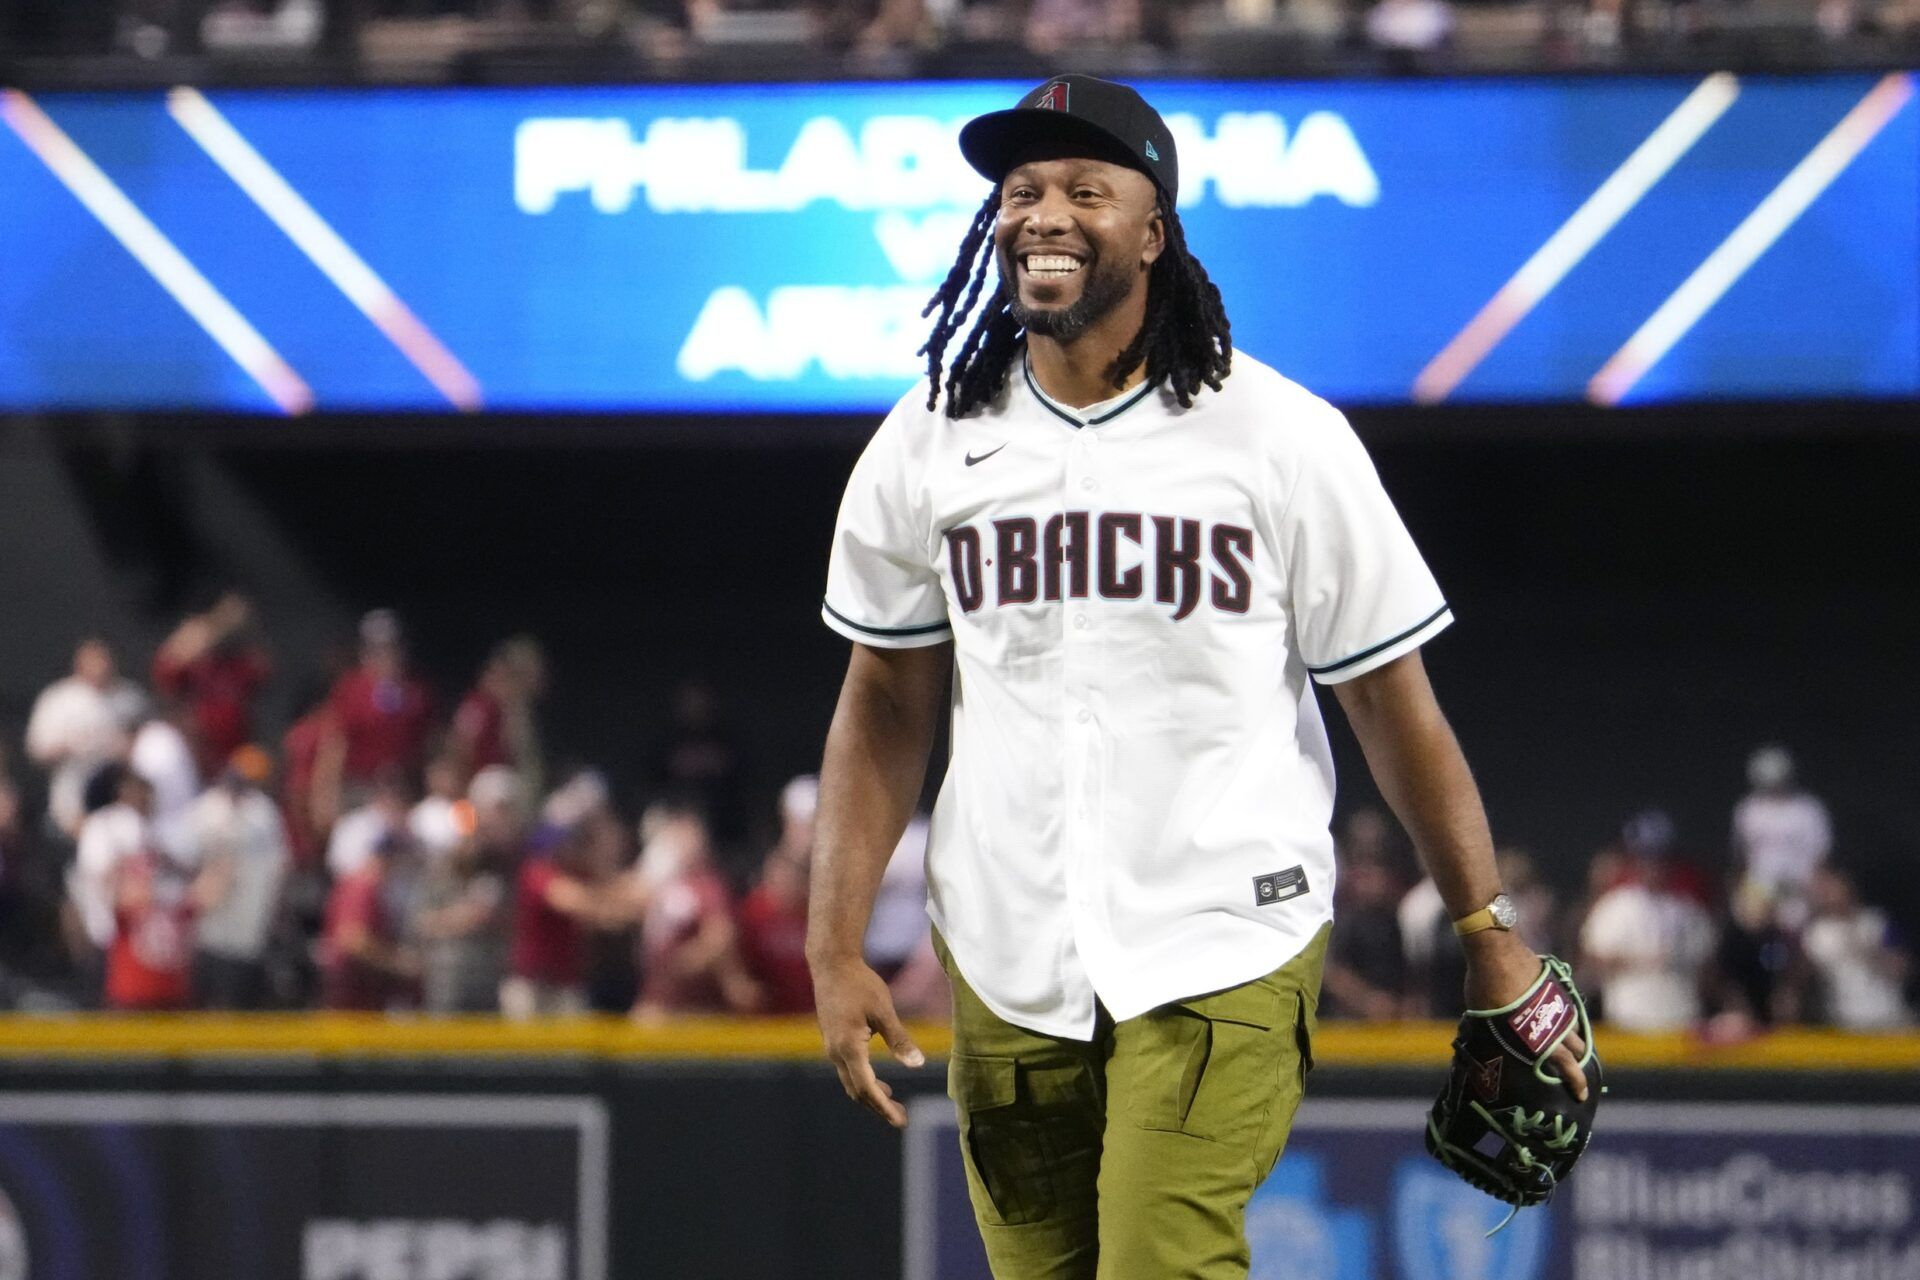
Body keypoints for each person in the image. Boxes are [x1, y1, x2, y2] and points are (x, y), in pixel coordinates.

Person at [806, 74, 1585, 1279]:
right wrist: (833, 935)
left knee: (1163, 1258)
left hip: (1227, 931)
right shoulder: (929, 437)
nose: (1044, 213)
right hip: (1009, 950)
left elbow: (1391, 702)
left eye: (1084, 189)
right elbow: (887, 697)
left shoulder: (1279, 435)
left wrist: (1487, 928)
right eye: (1020, 192)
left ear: (1156, 229)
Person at [1578, 812, 1717, 1032]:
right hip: (1629, 1017)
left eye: (1660, 858)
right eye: (1646, 857)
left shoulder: (1689, 910)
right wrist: (1640, 960)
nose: (1654, 866)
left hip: (1681, 1016)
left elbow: (1708, 968)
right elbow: (1594, 961)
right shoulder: (1615, 906)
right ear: (1634, 861)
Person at [187, 745, 291, 1009]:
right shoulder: (206, 809)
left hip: (249, 929)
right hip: (209, 929)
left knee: (241, 1007)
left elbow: (280, 866)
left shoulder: (263, 812)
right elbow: (184, 863)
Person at [26, 638, 148, 839]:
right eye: (92, 662)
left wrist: (127, 745)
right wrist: (69, 746)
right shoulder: (59, 699)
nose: (99, 667)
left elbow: (152, 739)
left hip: (121, 786)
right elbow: (37, 750)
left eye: (103, 660)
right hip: (75, 788)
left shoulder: (130, 697)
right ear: (79, 665)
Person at [151, 592, 271, 777]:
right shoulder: (197, 662)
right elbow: (164, 667)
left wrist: (244, 629)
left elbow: (264, 667)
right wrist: (213, 626)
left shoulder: (242, 663)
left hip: (234, 750)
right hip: (195, 747)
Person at [1731, 744, 1831, 930]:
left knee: (1795, 925)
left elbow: (1821, 855)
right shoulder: (1748, 809)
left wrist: (1813, 890)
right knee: (1748, 917)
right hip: (1761, 885)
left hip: (1798, 885)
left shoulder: (1808, 809)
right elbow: (1742, 855)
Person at [1800, 866, 1912, 1030]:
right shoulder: (1815, 934)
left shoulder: (1876, 922)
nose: (1828, 894)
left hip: (1888, 1017)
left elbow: (1902, 968)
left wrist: (1870, 952)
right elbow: (1806, 982)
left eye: (1832, 887)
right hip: (1845, 1023)